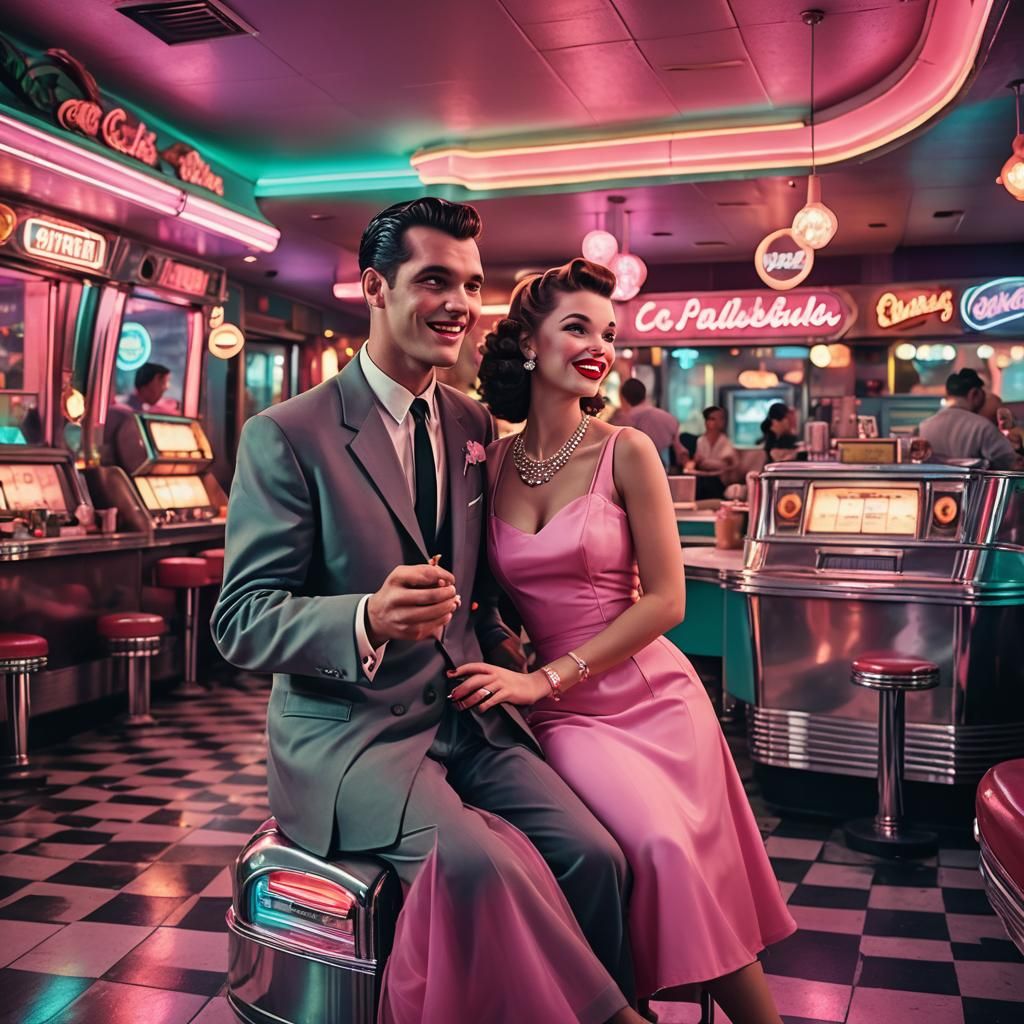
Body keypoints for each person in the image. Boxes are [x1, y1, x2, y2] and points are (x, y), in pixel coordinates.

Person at [212, 199, 643, 1024]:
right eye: (434, 279)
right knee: (477, 867)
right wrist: (366, 618)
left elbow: (482, 590)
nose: (459, 303)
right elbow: (241, 619)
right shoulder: (288, 434)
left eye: (472, 285)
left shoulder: (473, 422)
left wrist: (519, 656)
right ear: (375, 286)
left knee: (596, 857)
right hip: (349, 738)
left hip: (465, 718)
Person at [459, 258, 795, 1024]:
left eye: (606, 332)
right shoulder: (495, 461)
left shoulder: (626, 450)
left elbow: (669, 602)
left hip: (649, 694)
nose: (598, 345)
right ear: (528, 344)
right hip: (566, 715)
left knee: (669, 856)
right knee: (640, 857)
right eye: (576, 326)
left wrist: (540, 679)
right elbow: (485, 596)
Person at [918, 368, 1020, 469]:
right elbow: (1013, 463)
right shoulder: (982, 427)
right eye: (983, 394)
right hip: (974, 485)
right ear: (974, 394)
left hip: (934, 485)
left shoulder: (924, 427)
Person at [101, 362, 172, 466]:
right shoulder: (123, 413)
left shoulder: (140, 410)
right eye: (164, 383)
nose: (166, 388)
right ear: (154, 381)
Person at [614, 377, 688, 469]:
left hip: (635, 471)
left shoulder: (622, 422)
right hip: (665, 472)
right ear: (644, 394)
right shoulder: (669, 419)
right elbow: (680, 453)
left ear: (624, 398)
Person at [691, 404, 737, 500]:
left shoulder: (725, 441)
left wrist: (706, 462)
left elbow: (726, 463)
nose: (718, 422)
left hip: (720, 481)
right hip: (703, 480)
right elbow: (700, 463)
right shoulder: (701, 441)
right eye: (712, 419)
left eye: (720, 419)